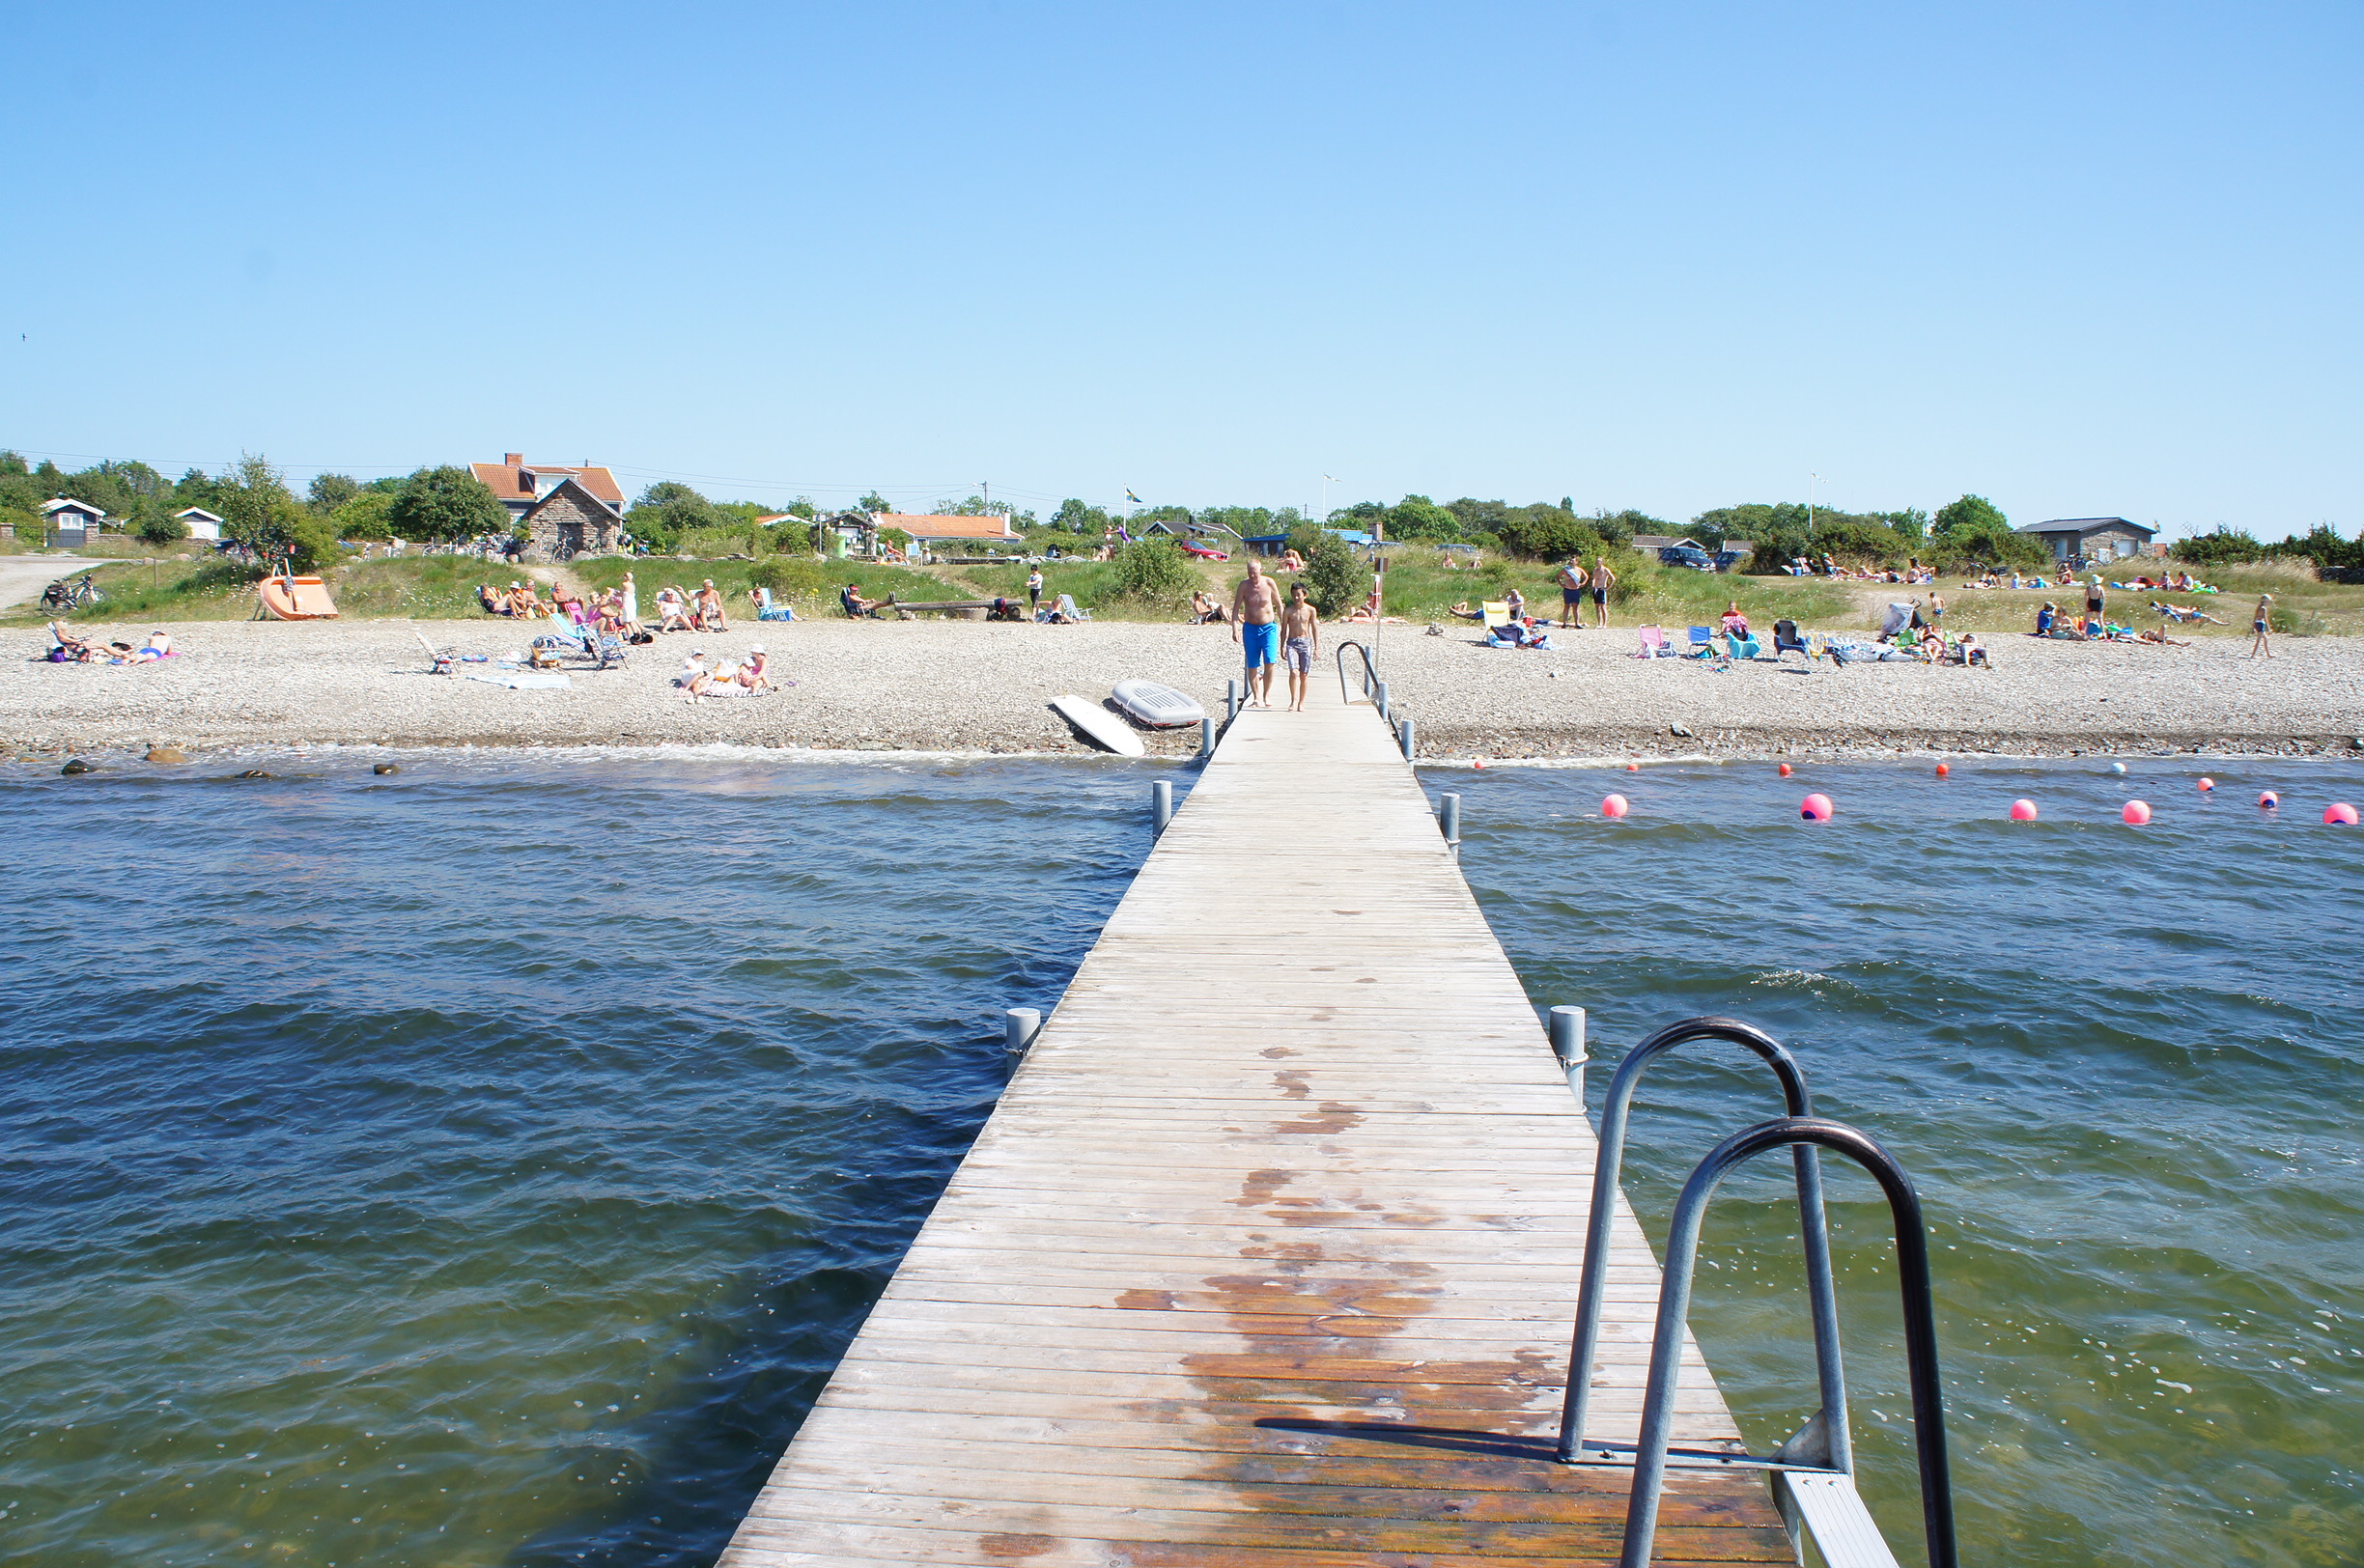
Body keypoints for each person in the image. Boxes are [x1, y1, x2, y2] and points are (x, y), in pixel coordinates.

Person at [1230, 558, 1285, 709]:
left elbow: (1279, 606)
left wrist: (1285, 626)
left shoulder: (1269, 583)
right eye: (1249, 573)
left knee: (1270, 661)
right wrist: (1235, 629)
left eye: (1254, 573)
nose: (1252, 576)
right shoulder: (1244, 585)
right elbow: (1235, 609)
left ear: (1260, 570)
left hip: (1268, 628)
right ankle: (1256, 697)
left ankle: (1267, 694)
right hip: (1250, 628)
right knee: (1252, 663)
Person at [1280, 583, 1319, 712]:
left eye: (1298, 595)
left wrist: (1316, 648)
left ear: (1304, 595)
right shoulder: (1288, 611)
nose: (1296, 598)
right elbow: (1284, 629)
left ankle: (1301, 702)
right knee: (1293, 672)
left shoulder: (1310, 610)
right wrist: (1282, 646)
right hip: (1292, 643)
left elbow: (1314, 629)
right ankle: (1293, 700)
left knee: (1304, 674)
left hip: (1305, 642)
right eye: (1293, 595)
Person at [1557, 557, 1589, 628]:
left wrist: (1583, 583)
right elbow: (1558, 576)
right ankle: (1564, 623)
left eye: (1573, 560)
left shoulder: (1579, 570)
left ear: (1576, 562)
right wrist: (1561, 584)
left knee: (1575, 607)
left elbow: (1586, 576)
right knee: (1566, 606)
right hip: (1568, 589)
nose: (1571, 561)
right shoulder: (1566, 569)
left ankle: (1577, 623)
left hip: (1576, 590)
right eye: (1571, 560)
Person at [1590, 554, 1616, 628]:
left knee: (1603, 607)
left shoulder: (1605, 570)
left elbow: (1613, 578)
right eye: (1597, 561)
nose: (1598, 563)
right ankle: (1599, 624)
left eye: (1599, 561)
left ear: (1602, 562)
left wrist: (1607, 587)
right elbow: (1594, 578)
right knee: (1597, 607)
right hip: (1596, 589)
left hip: (1602, 589)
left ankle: (1604, 624)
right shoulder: (1595, 570)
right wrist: (1593, 585)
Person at [2251, 594, 2273, 658]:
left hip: (2257, 623)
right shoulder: (2263, 609)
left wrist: (2253, 627)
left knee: (2266, 639)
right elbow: (2265, 618)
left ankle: (2268, 654)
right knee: (2259, 640)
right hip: (2261, 624)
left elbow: (2255, 617)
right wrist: (2268, 628)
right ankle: (2253, 655)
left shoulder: (2258, 608)